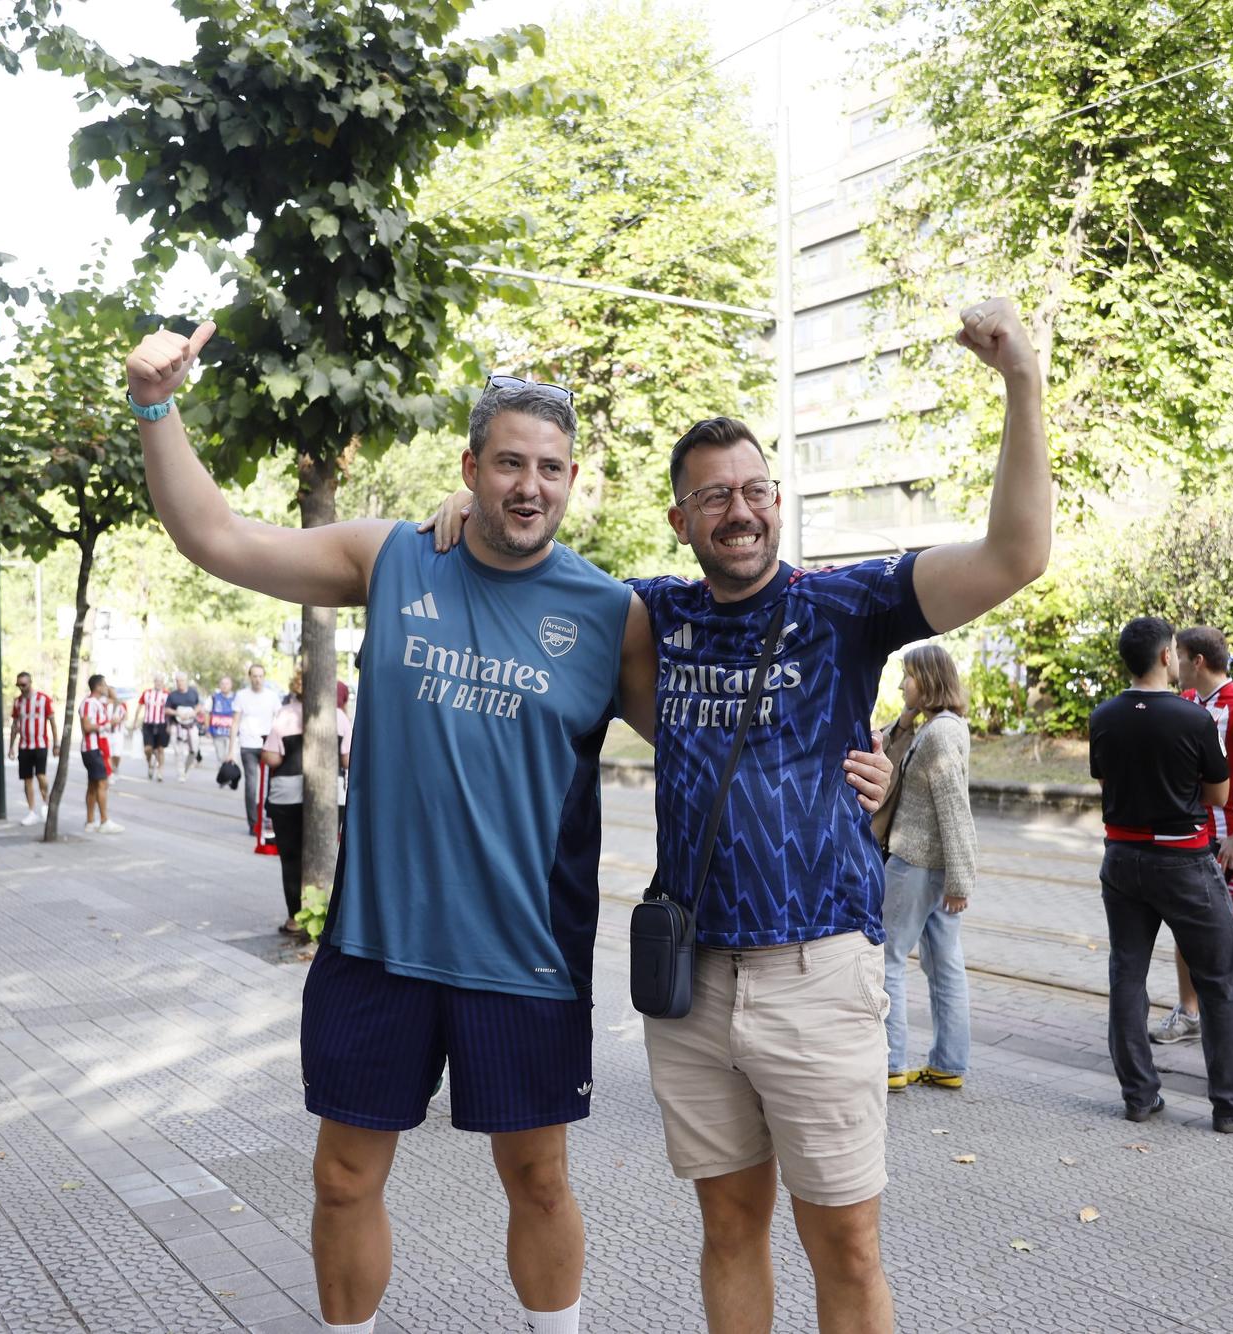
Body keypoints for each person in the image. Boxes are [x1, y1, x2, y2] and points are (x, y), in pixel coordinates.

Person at [130, 327, 896, 1334]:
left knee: (537, 1179)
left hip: (527, 954)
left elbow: (723, 737)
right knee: (343, 1177)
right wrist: (156, 407)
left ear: (571, 479)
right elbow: (217, 538)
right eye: (507, 464)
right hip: (377, 944)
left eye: (548, 468)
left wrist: (861, 767)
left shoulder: (608, 613)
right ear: (469, 469)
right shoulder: (395, 557)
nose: (528, 486)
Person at [423, 302, 1040, 1334]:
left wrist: (1020, 380)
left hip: (818, 972)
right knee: (727, 1229)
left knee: (847, 1246)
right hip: (693, 987)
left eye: (753, 490)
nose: (738, 511)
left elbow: (1015, 553)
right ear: (681, 521)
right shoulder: (650, 616)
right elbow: (522, 571)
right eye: (712, 496)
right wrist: (464, 503)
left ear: (778, 503)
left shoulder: (845, 607)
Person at [1088, 617, 1233, 1135]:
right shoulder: (1193, 718)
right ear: (1164, 657)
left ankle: (1139, 1096)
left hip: (1121, 858)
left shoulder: (1103, 715)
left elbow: (1105, 781)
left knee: (1126, 974)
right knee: (1219, 979)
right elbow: (1219, 794)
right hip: (1182, 861)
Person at [1151, 626, 1233, 1051]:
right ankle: (1190, 1012)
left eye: (1178, 655)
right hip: (1189, 836)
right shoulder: (1185, 702)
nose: (1173, 662)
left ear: (1197, 661)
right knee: (1185, 924)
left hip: (1228, 840)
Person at [875, 642, 978, 1093]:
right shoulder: (939, 727)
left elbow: (956, 812)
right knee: (944, 964)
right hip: (933, 870)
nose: (902, 685)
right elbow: (884, 751)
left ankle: (892, 1062)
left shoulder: (940, 735)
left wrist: (961, 881)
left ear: (929, 681)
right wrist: (904, 720)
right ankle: (948, 1064)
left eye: (909, 677)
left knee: (889, 960)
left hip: (915, 864)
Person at [264, 671, 353, 935]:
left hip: (287, 794)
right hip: (330, 793)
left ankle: (295, 918)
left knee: (291, 857)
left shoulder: (285, 714)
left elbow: (272, 758)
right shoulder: (338, 716)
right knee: (326, 854)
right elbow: (348, 760)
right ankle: (324, 916)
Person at [232, 663, 280, 827]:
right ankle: (254, 823)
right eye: (254, 676)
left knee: (269, 785)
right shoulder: (242, 695)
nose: (258, 679)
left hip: (267, 746)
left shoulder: (272, 696)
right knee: (251, 785)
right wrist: (231, 751)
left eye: (260, 676)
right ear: (250, 677)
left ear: (264, 677)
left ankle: (267, 817)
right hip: (248, 745)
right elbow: (235, 722)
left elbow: (279, 720)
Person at [78, 675, 126, 834]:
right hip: (93, 749)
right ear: (98, 687)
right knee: (102, 784)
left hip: (98, 748)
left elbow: (116, 701)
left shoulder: (97, 703)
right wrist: (109, 723)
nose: (107, 687)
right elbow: (87, 726)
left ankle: (90, 821)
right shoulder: (89, 703)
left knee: (93, 785)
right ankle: (104, 820)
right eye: (105, 685)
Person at [9, 671, 58, 826]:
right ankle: (31, 811)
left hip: (40, 744)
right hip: (24, 746)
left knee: (41, 776)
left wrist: (56, 744)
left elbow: (52, 723)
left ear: (30, 683)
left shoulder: (43, 699)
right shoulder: (17, 702)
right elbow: (14, 725)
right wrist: (11, 747)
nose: (21, 688)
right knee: (27, 779)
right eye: (18, 685)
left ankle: (46, 802)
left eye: (23, 684)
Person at [165, 671, 202, 781]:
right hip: (177, 725)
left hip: (191, 725)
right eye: (177, 681)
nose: (180, 683)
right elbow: (166, 709)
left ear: (186, 681)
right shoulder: (172, 695)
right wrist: (178, 713)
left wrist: (193, 712)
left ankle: (186, 768)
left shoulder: (193, 692)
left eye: (182, 680)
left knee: (194, 750)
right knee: (178, 751)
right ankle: (180, 773)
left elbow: (199, 705)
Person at [137, 674, 171, 781]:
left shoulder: (167, 694)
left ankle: (160, 771)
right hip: (148, 724)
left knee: (160, 749)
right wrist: (135, 721)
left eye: (160, 681)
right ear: (154, 682)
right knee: (148, 749)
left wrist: (169, 725)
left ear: (163, 683)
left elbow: (170, 710)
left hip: (162, 724)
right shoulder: (147, 693)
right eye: (157, 681)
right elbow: (139, 706)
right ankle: (150, 764)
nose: (158, 683)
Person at [208, 675, 237, 769]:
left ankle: (231, 775)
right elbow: (207, 713)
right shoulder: (214, 697)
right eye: (222, 684)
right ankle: (223, 774)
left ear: (231, 685)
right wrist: (208, 730)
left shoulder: (237, 698)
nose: (225, 686)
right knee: (221, 758)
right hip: (217, 733)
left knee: (232, 758)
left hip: (232, 734)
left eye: (227, 683)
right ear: (219, 685)